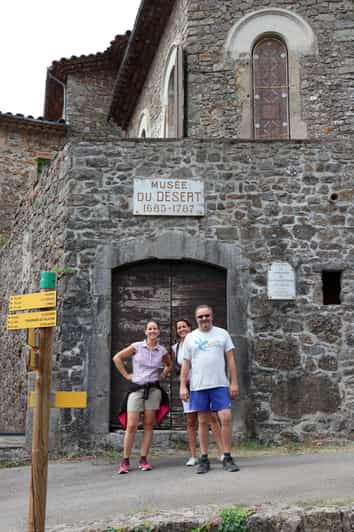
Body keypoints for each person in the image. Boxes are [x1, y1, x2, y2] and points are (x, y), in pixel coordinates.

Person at [180, 305, 240, 474]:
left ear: (212, 316)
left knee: (226, 417)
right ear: (196, 318)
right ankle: (204, 458)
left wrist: (234, 382)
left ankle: (227, 456)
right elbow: (186, 365)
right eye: (200, 317)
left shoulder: (222, 334)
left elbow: (231, 360)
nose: (204, 319)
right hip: (198, 386)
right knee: (203, 422)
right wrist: (182, 386)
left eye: (207, 316)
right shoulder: (190, 338)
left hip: (220, 384)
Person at [113, 319, 172, 474]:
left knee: (148, 425)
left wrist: (163, 375)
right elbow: (117, 358)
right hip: (136, 389)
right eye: (150, 329)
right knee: (131, 425)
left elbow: (169, 364)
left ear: (158, 332)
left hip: (153, 390)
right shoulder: (137, 347)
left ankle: (143, 458)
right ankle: (125, 460)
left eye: (155, 329)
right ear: (145, 332)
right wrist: (127, 375)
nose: (152, 331)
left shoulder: (162, 350)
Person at [172, 318, 225, 466]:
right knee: (190, 422)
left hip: (202, 385)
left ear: (190, 328)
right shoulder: (175, 348)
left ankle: (222, 453)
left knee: (212, 418)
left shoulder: (198, 341)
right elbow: (176, 367)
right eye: (179, 327)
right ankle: (193, 456)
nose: (182, 329)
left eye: (184, 326)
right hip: (188, 387)